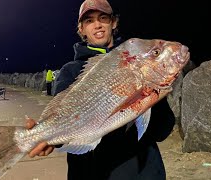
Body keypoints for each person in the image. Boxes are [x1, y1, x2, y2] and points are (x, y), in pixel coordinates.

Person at [26, 0, 175, 179]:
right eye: (89, 20)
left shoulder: (138, 63)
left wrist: (152, 94)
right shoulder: (71, 71)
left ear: (114, 23)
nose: (97, 25)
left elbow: (162, 131)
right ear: (81, 29)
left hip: (142, 172)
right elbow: (66, 123)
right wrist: (49, 138)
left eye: (103, 18)